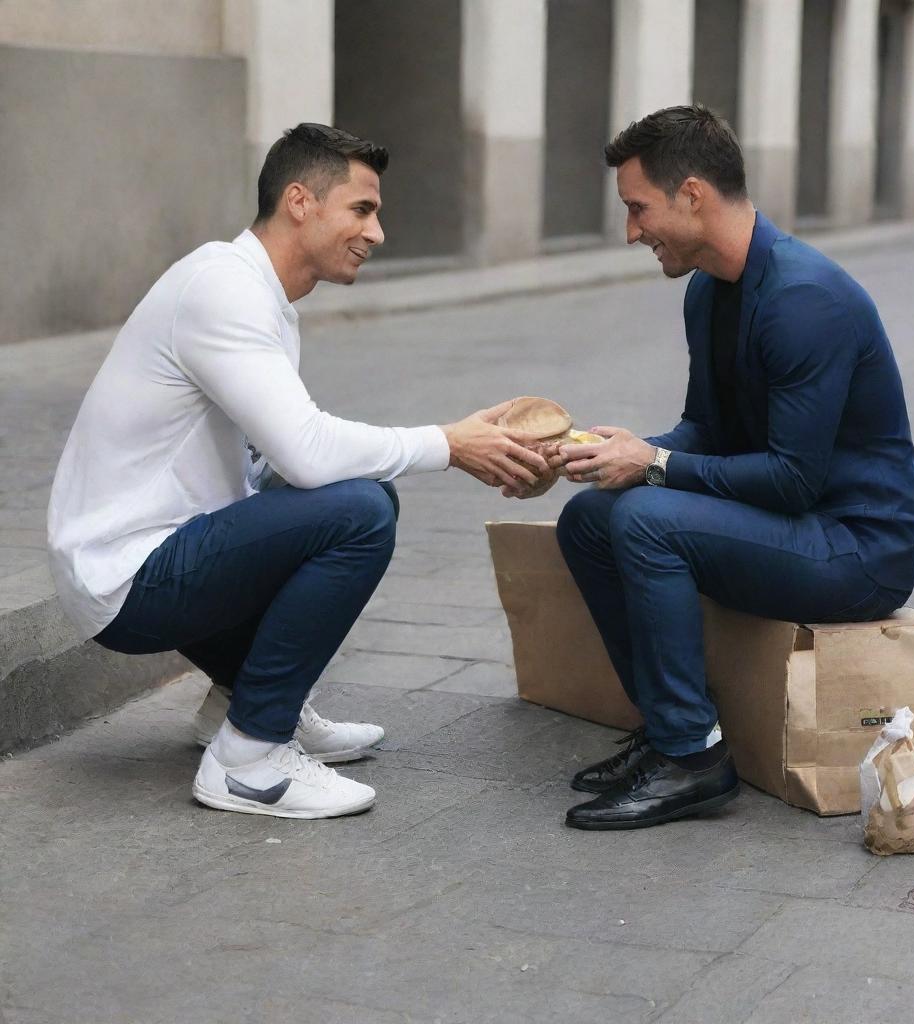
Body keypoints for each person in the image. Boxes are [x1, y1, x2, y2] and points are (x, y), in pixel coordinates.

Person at [47, 123, 549, 820]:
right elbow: (309, 449)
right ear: (300, 202)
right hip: (127, 574)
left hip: (155, 551)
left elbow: (282, 461)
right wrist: (448, 443)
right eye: (362, 209)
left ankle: (244, 700)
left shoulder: (257, 295)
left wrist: (449, 441)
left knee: (355, 495)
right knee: (360, 513)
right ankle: (248, 760)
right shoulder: (222, 289)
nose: (377, 233)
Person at [514, 105, 914, 831]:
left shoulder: (802, 300)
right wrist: (617, 449)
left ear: (693, 195)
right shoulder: (709, 287)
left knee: (644, 518)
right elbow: (706, 427)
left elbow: (794, 479)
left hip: (857, 549)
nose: (633, 231)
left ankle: (693, 763)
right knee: (588, 518)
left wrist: (656, 466)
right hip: (790, 521)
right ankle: (671, 725)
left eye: (639, 210)